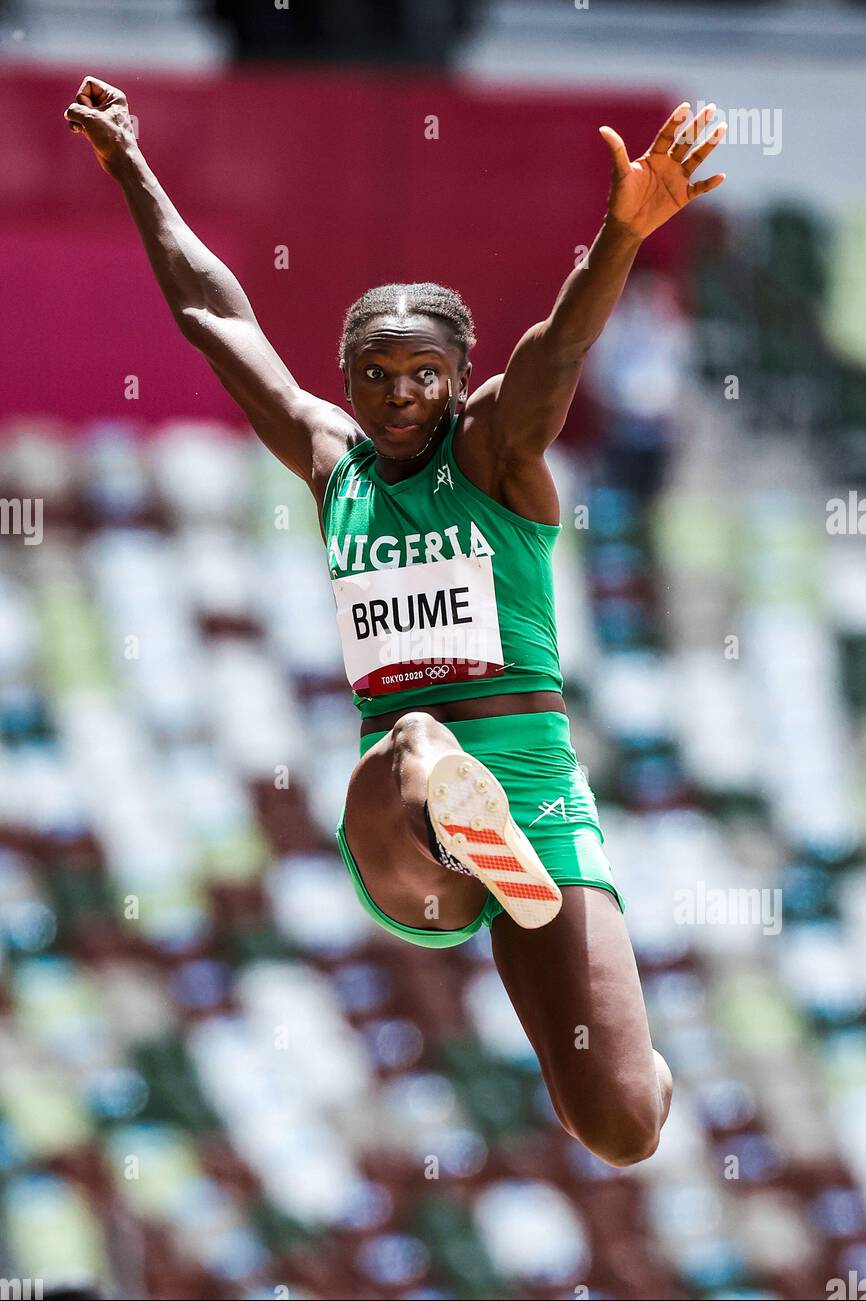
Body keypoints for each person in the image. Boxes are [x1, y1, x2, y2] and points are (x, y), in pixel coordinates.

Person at [64, 76, 725, 1165]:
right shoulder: (335, 467)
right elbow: (210, 314)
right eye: (375, 375)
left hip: (537, 794)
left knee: (617, 1127)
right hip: (401, 816)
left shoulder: (496, 453)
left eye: (424, 373)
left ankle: (562, 943)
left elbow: (556, 354)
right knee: (420, 741)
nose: (400, 393)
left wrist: (619, 235)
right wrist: (132, 163)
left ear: (462, 379)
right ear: (348, 384)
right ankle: (457, 814)